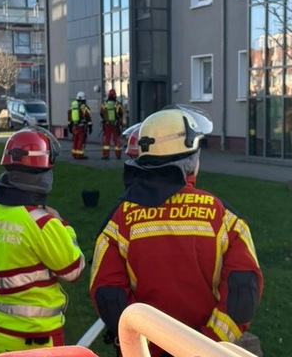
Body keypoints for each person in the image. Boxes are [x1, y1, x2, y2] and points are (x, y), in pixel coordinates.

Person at [89, 105, 264, 356]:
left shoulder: (118, 221)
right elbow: (242, 291)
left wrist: (144, 345)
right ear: (193, 161)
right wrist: (206, 343)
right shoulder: (223, 217)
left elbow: (108, 294)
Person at [0, 127, 85, 354]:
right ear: (43, 174)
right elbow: (74, 269)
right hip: (39, 339)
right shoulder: (43, 222)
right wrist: (63, 224)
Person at [99, 89, 125, 160]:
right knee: (116, 139)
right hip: (115, 124)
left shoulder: (104, 104)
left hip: (107, 124)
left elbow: (101, 113)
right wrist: (119, 121)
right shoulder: (118, 104)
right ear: (115, 95)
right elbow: (121, 113)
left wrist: (105, 119)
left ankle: (106, 155)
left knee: (107, 139)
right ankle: (118, 155)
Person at [67, 91, 93, 159]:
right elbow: (89, 117)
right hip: (82, 126)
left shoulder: (72, 107)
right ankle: (80, 155)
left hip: (75, 126)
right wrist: (90, 126)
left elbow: (69, 115)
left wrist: (70, 125)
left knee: (75, 139)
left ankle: (74, 154)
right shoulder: (85, 107)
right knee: (81, 140)